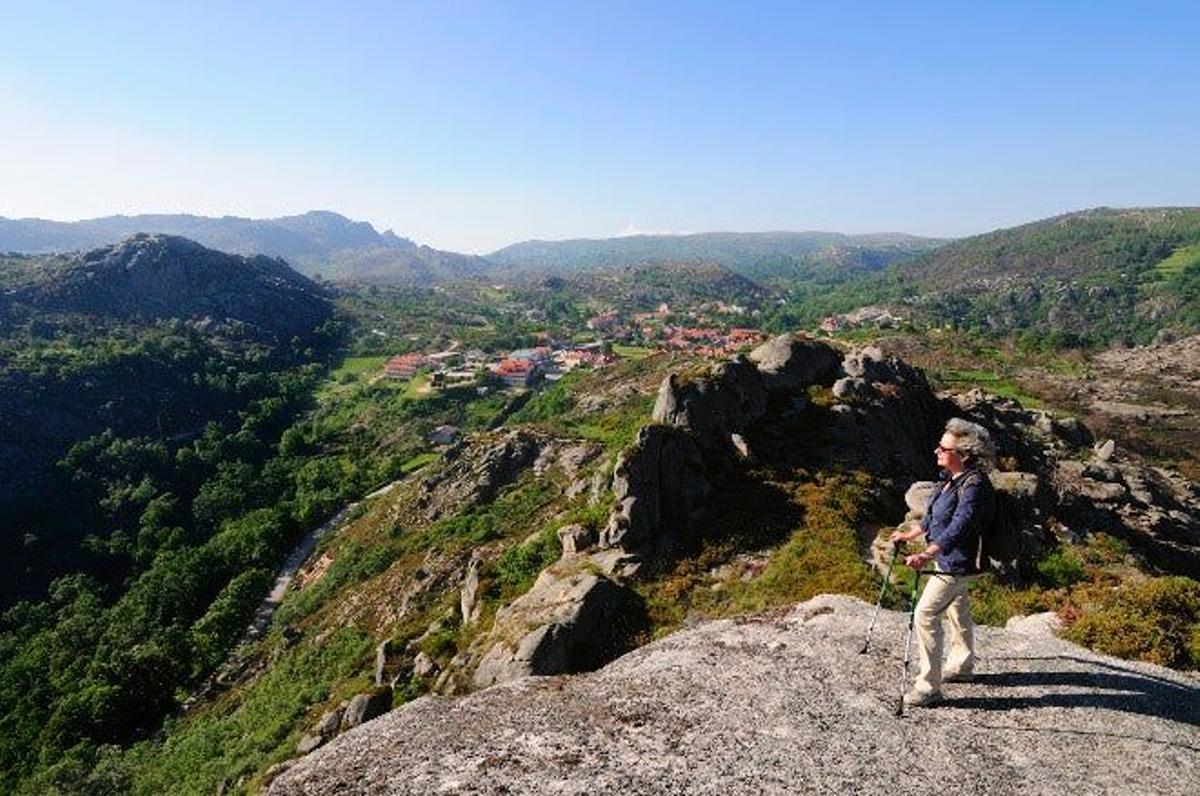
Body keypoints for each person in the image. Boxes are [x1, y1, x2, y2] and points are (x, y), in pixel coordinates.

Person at [890, 418, 996, 707]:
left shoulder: (975, 486)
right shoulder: (949, 479)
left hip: (958, 563)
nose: (937, 451)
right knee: (957, 609)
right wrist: (909, 534)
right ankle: (962, 666)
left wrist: (927, 554)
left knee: (925, 615)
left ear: (964, 455)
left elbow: (961, 525)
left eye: (944, 448)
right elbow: (933, 517)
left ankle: (929, 688)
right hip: (947, 559)